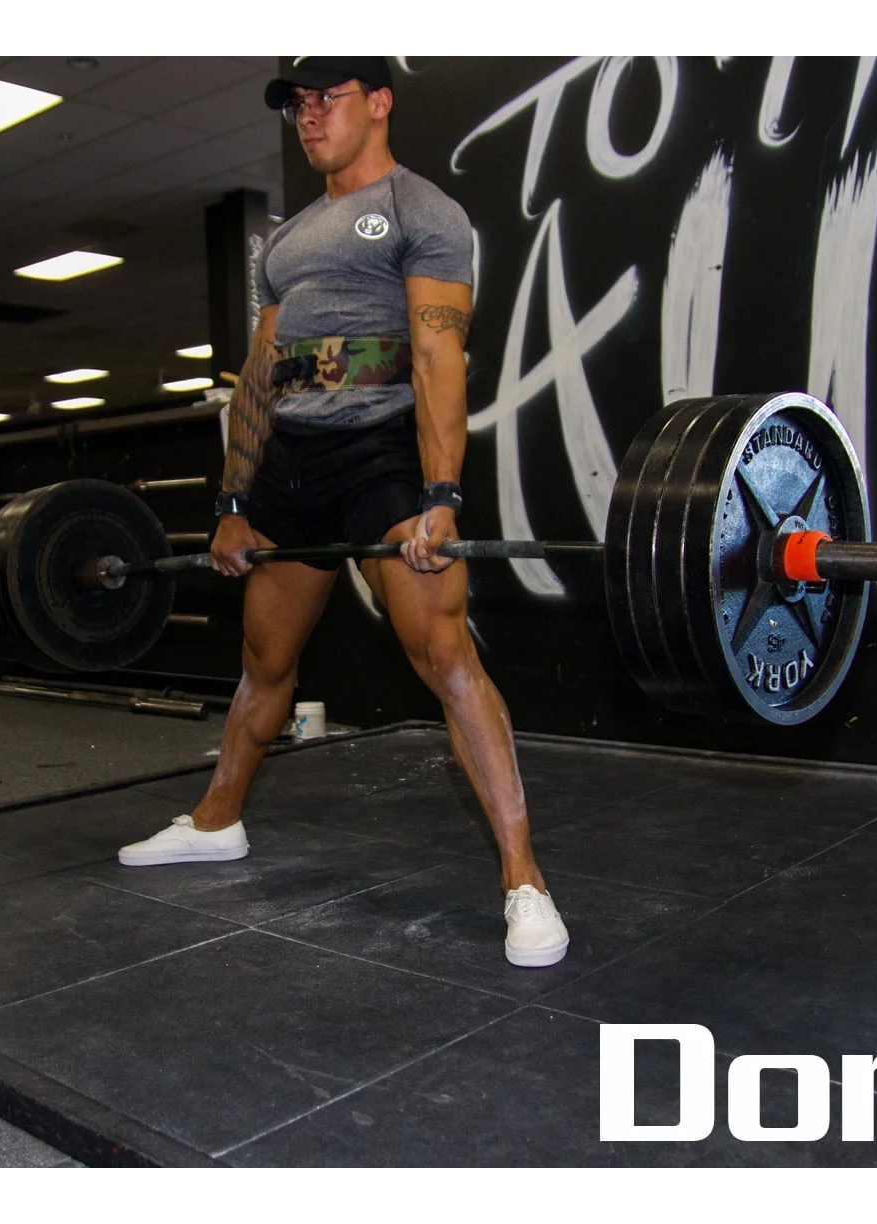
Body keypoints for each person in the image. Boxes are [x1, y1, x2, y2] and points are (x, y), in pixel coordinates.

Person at [118, 57, 568, 968]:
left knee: (445, 658)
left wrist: (440, 495)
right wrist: (234, 501)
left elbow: (437, 360)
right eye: (298, 104)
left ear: (380, 102)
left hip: (381, 456)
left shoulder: (420, 210)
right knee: (264, 661)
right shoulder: (283, 243)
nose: (310, 116)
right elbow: (259, 376)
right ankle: (218, 820)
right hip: (293, 465)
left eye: (329, 97)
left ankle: (525, 881)